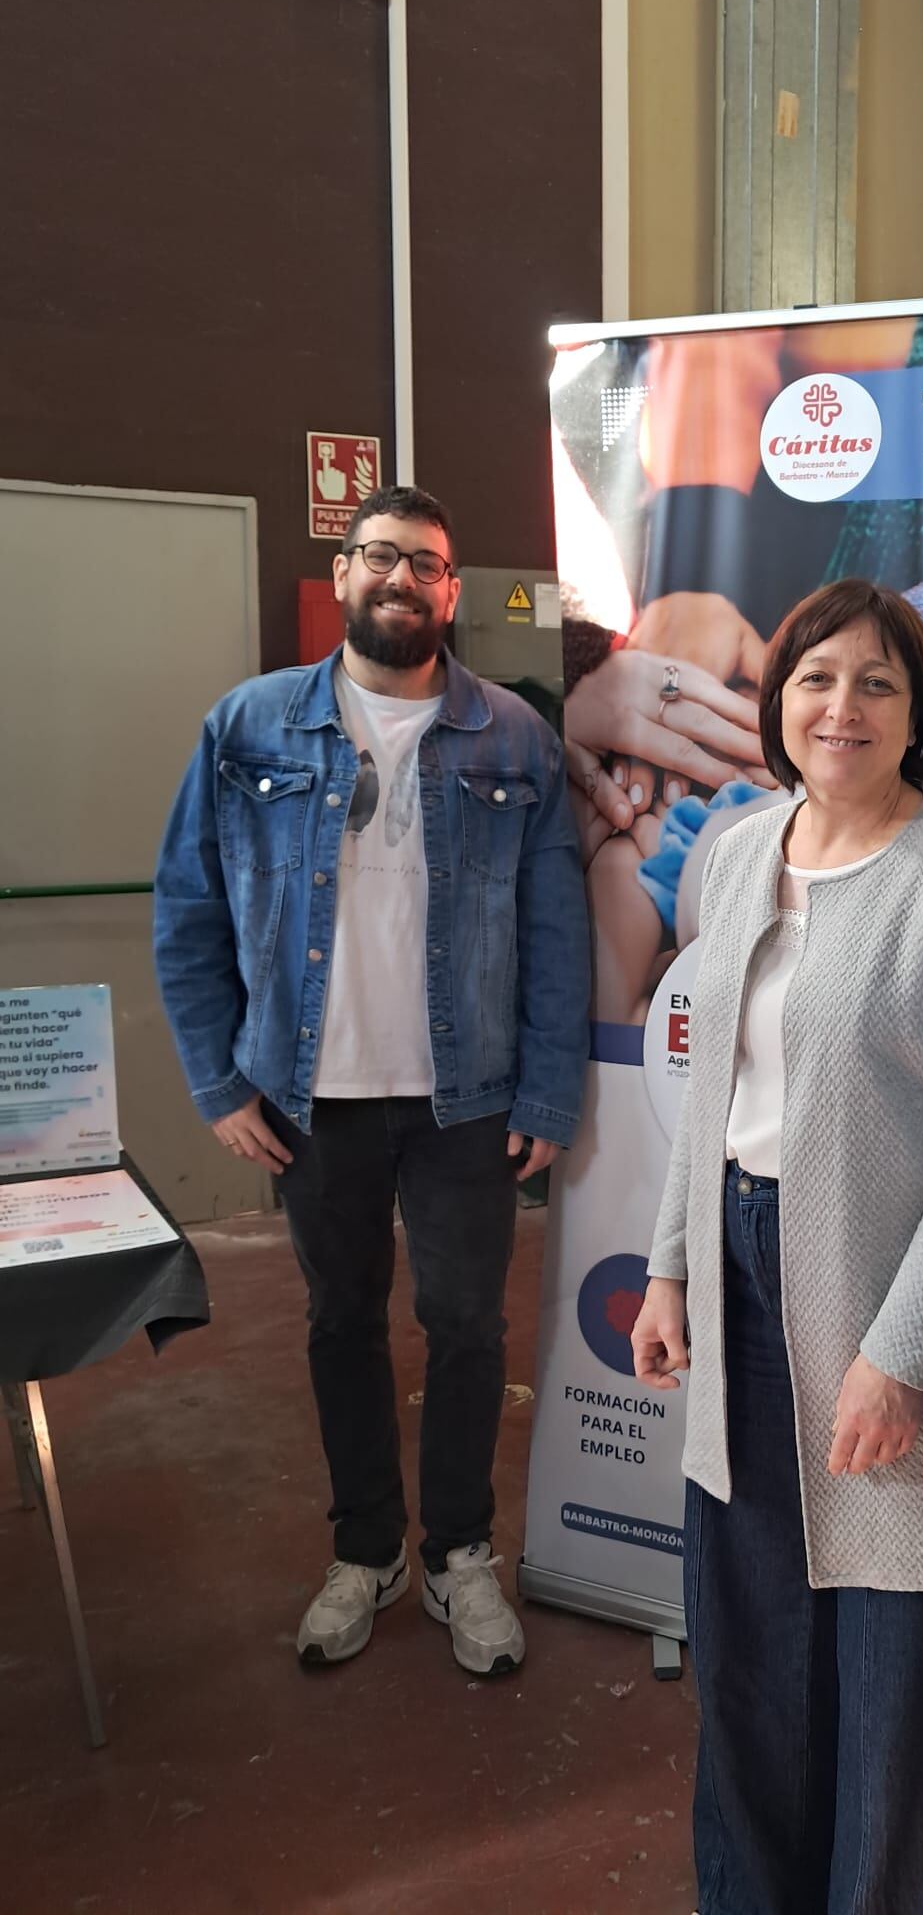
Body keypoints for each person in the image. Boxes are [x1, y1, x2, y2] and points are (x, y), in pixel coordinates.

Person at [630, 580, 923, 1915]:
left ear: (917, 714)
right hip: (740, 1256)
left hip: (886, 1273)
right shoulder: (732, 850)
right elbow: (707, 1088)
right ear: (775, 699)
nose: (838, 706)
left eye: (874, 682)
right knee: (750, 1647)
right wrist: (672, 1261)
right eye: (813, 677)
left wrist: (902, 1351)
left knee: (904, 1653)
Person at [153, 485, 589, 1676]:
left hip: (467, 1100)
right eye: (380, 556)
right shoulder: (246, 728)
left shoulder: (514, 738)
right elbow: (188, 913)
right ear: (344, 575)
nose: (401, 578)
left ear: (452, 593)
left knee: (462, 1328)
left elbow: (558, 927)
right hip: (310, 1100)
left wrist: (548, 1091)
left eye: (427, 564)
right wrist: (219, 1084)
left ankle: (457, 1553)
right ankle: (366, 1549)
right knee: (340, 1321)